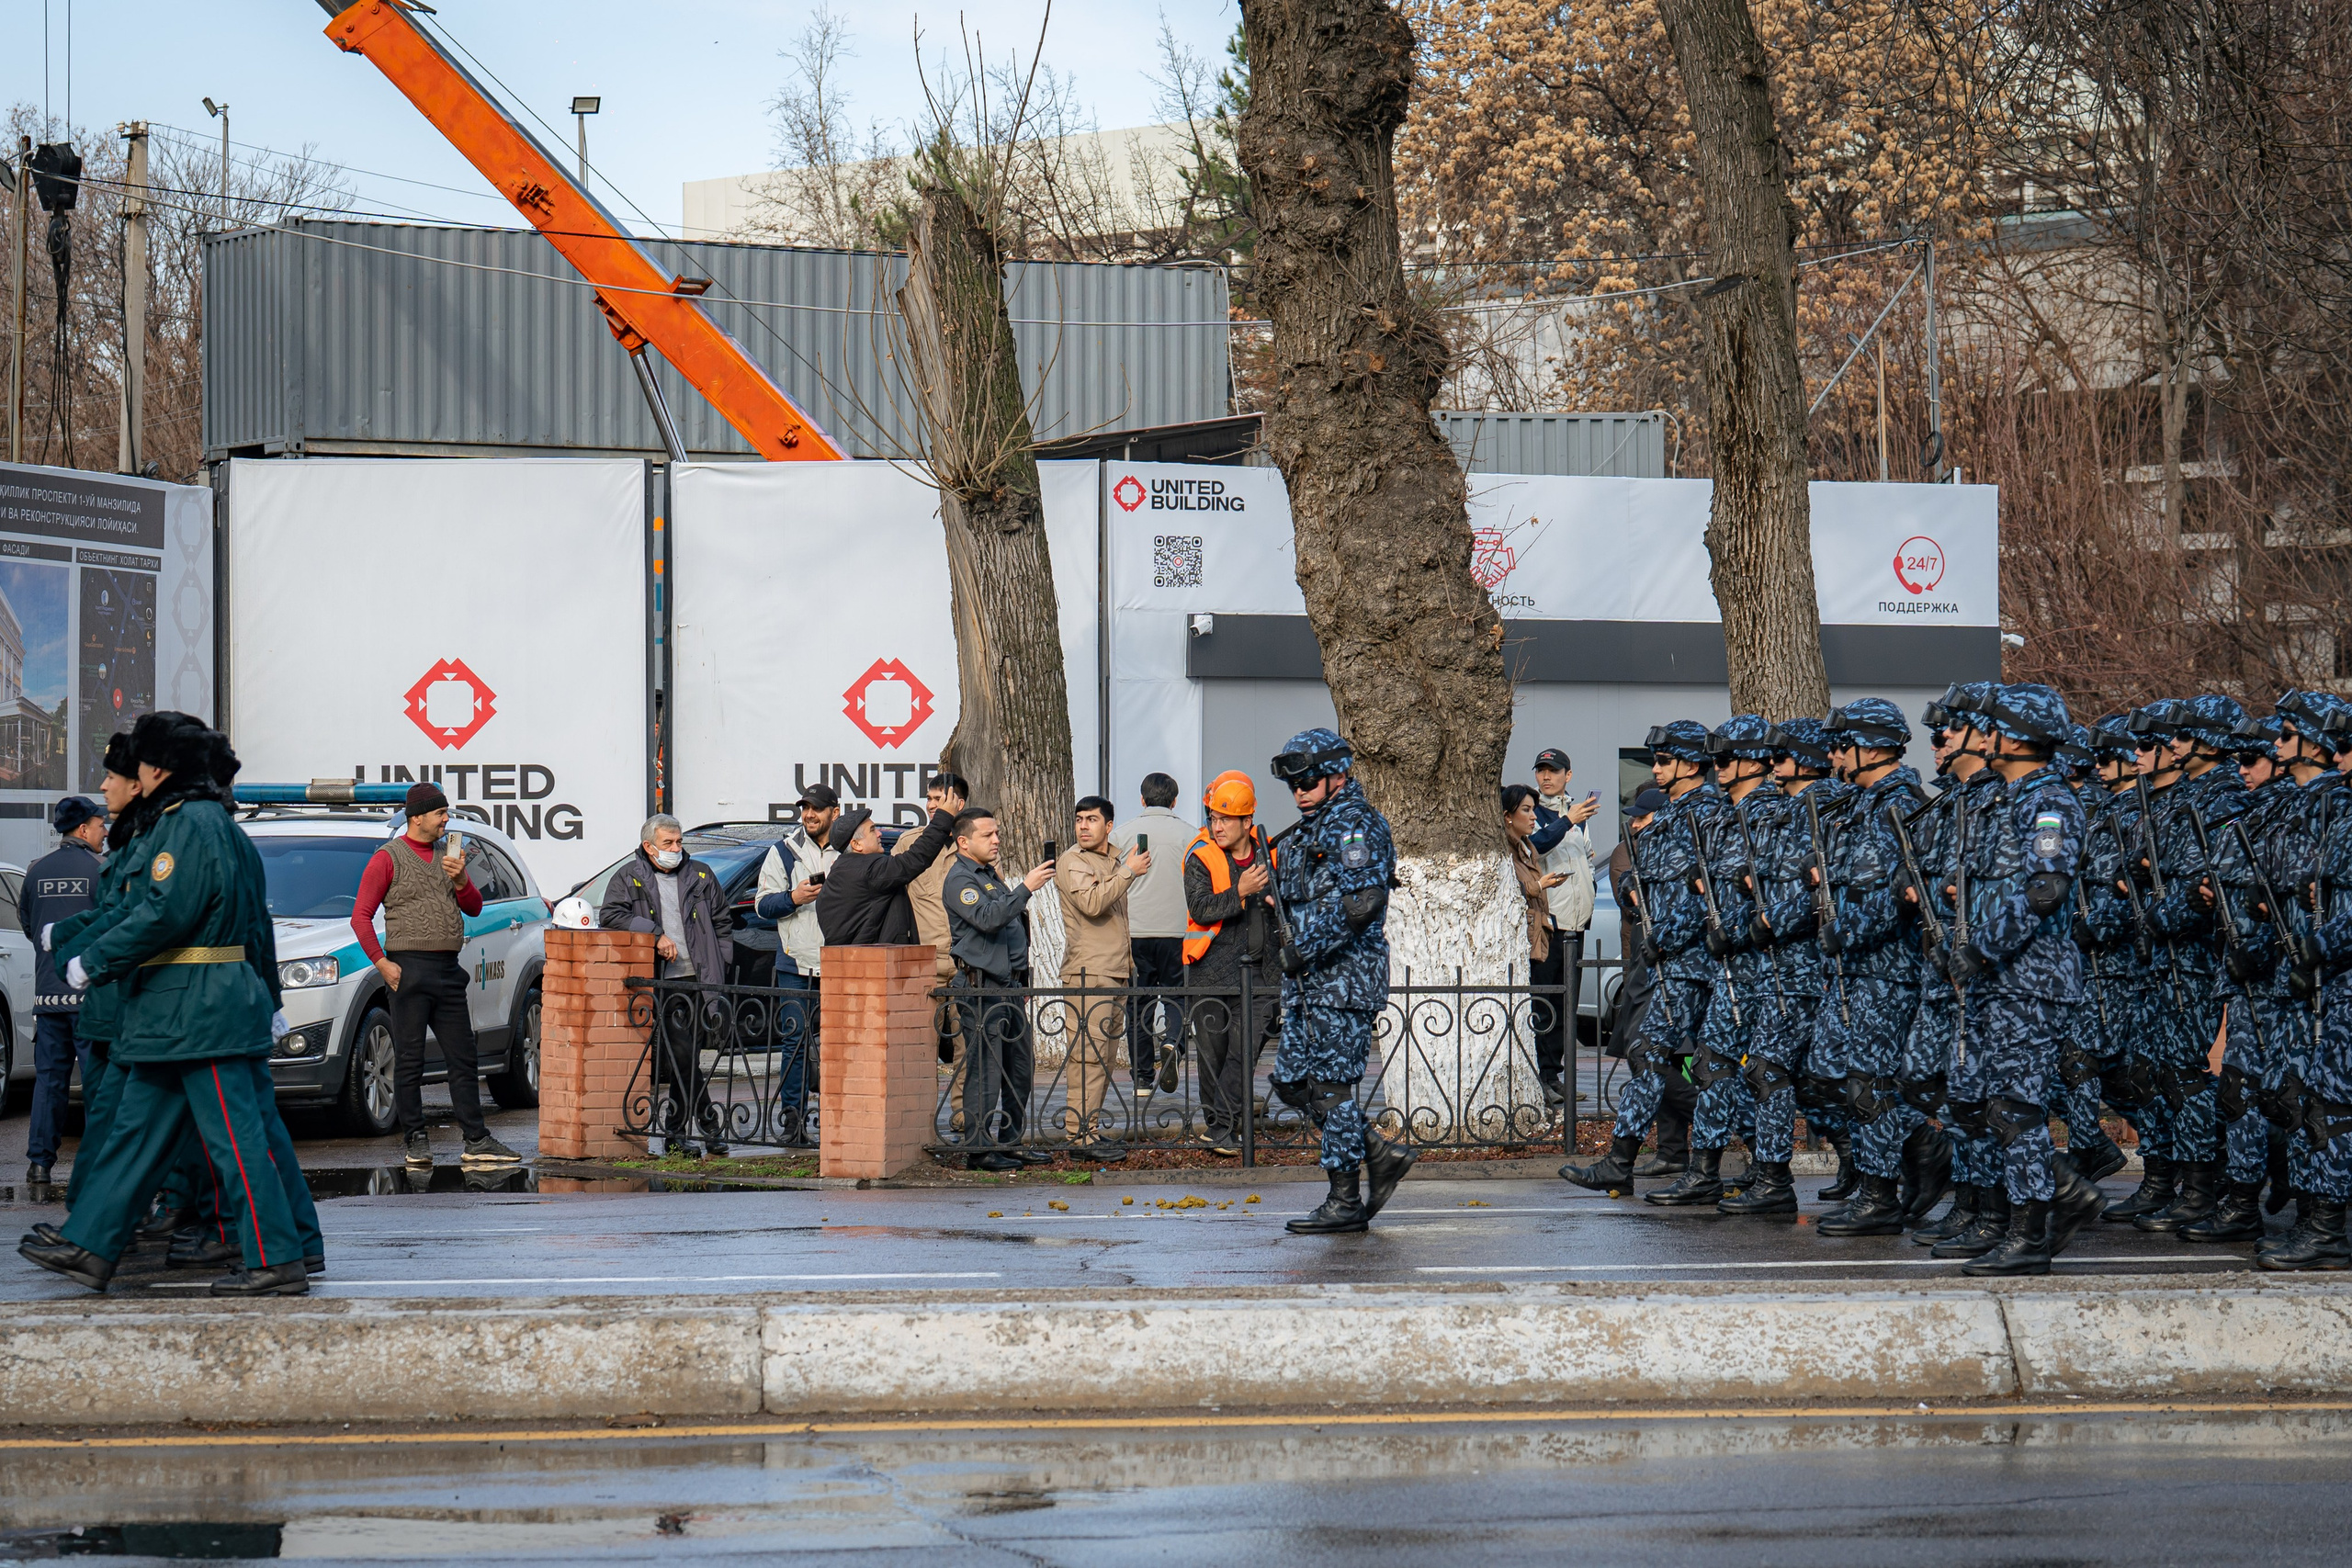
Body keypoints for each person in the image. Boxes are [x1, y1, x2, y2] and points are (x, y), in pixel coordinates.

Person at [20, 714, 315, 1295]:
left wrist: (91, 960)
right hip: (181, 1012)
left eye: (138, 766)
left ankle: (278, 1258)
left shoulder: (191, 825)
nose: (113, 784)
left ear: (158, 770)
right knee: (134, 1133)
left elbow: (164, 912)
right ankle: (93, 1244)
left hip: (199, 1010)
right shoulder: (196, 823)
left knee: (237, 1142)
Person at [1941, 683, 2109, 1275]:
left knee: (2017, 1108)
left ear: (2013, 738)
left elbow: (2046, 890)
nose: (1980, 738)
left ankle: (2033, 1232)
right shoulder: (2008, 799)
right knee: (1992, 1106)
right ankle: (2056, 1200)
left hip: (2031, 978)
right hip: (2002, 976)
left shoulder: (2048, 803)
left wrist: (1983, 949)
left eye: (1990, 730)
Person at [1267, 728, 1416, 1234]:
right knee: (1291, 1082)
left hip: (1344, 981)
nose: (1299, 791)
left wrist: (1303, 948)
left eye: (1308, 780)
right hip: (1308, 982)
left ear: (1338, 774)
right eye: (1293, 784)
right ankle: (1377, 1149)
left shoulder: (1354, 825)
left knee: (1331, 1088)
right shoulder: (1308, 828)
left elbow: (1362, 904)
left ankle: (1345, 1199)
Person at [1562, 721, 1720, 1194]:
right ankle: (1625, 1161)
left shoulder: (1705, 815)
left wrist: (1663, 935)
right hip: (1666, 959)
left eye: (1664, 760)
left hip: (1691, 962)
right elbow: (1644, 882)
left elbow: (1701, 894)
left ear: (1691, 765)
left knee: (1693, 1064)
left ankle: (1732, 1158)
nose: (1655, 768)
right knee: (1651, 1055)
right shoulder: (1676, 815)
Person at [1807, 699, 1932, 1238]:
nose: (1835, 756)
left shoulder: (1899, 803)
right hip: (1855, 970)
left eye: (1845, 744)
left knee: (1870, 1085)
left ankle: (1882, 1195)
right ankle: (1918, 1157)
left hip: (1888, 966)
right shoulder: (1861, 804)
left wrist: (1846, 931)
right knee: (1839, 1079)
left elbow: (1901, 894)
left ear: (1875, 746)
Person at [357, 784, 523, 1170]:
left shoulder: (450, 856)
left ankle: (477, 1139)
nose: (447, 820)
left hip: (449, 969)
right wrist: (382, 963)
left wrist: (462, 878)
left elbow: (475, 908)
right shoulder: (387, 858)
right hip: (407, 968)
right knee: (410, 1060)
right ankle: (415, 1139)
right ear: (417, 817)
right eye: (440, 814)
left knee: (463, 1058)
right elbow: (360, 916)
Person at [944, 808, 1056, 1171]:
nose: (996, 840)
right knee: (985, 1071)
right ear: (964, 841)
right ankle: (979, 1148)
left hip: (1008, 988)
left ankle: (1010, 1141)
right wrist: (1026, 887)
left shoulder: (989, 876)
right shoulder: (960, 879)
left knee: (1019, 1069)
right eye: (987, 835)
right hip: (981, 989)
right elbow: (988, 919)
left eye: (997, 833)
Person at [1182, 772, 1283, 1155]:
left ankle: (1223, 1127)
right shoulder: (1201, 855)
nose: (1217, 826)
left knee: (1244, 1053)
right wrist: (1239, 892)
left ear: (1247, 822)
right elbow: (1200, 908)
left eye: (1225, 820)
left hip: (1262, 973)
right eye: (1213, 818)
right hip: (1211, 970)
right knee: (1213, 1056)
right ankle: (1220, 1127)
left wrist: (1278, 901)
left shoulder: (1268, 853)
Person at [1602, 788, 1695, 1178]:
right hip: (1644, 962)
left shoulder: (1677, 847)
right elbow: (1627, 890)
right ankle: (1672, 1150)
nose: (1635, 824)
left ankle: (1714, 1120)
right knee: (1649, 1059)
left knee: (1658, 1059)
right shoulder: (1636, 846)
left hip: (1668, 970)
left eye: (1643, 817)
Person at [18, 796, 106, 1187]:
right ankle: (102, 1166)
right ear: (83, 829)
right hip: (91, 999)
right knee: (97, 1084)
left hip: (47, 996)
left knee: (49, 1082)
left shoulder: (36, 872)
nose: (105, 831)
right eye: (100, 824)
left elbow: (29, 926)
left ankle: (39, 1164)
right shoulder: (99, 870)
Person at [1055, 795, 1149, 1150]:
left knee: (1105, 1058)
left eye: (1091, 819)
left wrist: (1123, 867)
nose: (1082, 825)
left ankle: (1089, 1129)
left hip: (1115, 969)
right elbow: (1092, 903)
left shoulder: (1112, 858)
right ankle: (1078, 1134)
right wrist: (1128, 872)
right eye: (1079, 819)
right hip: (1088, 972)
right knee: (1087, 1056)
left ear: (1108, 825)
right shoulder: (1073, 860)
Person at [1530, 749, 1601, 1103]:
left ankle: (1556, 1076)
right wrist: (1568, 820)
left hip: (1577, 924)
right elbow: (1534, 847)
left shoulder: (1579, 816)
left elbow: (1586, 858)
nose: (1546, 777)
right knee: (1545, 1003)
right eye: (1541, 770)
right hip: (1549, 926)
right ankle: (1542, 1077)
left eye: (1553, 771)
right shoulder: (1534, 811)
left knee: (1568, 1007)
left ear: (1567, 775)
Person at [1115, 773, 1193, 1097]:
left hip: (1136, 932)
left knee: (1138, 1004)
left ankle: (1142, 1080)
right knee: (1175, 996)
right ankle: (1172, 1043)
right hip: (1178, 931)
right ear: (1175, 801)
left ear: (1143, 800)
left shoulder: (1121, 835)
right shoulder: (1192, 836)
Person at [1504, 784, 1571, 1103]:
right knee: (1534, 1010)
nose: (1533, 817)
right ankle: (1539, 1078)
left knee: (1549, 1007)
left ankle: (1549, 1075)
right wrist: (1539, 884)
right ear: (1507, 817)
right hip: (1522, 940)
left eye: (1533, 810)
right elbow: (1509, 888)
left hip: (1541, 935)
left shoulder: (1527, 846)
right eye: (1526, 811)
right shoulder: (1503, 848)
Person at [815, 802, 956, 945]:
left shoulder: (839, 874)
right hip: (876, 964)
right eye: (872, 830)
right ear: (856, 845)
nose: (879, 833)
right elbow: (914, 859)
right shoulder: (868, 870)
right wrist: (943, 818)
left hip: (850, 963)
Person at [756, 783, 839, 1005]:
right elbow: (762, 905)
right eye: (805, 808)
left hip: (842, 962)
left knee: (839, 1039)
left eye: (817, 809)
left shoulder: (851, 848)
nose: (809, 815)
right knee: (795, 1038)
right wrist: (793, 898)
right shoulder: (783, 850)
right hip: (796, 966)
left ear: (835, 813)